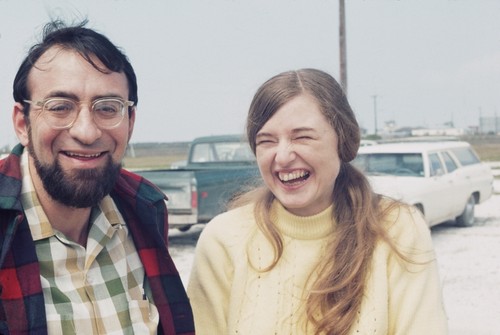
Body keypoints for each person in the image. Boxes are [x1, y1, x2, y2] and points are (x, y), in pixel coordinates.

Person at [187, 68, 448, 334]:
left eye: (302, 137)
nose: (283, 156)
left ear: (342, 140)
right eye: (267, 141)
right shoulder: (224, 238)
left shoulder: (398, 228)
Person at [0, 20, 194, 335]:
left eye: (107, 108)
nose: (87, 132)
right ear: (22, 123)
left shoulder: (145, 208)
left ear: (130, 123)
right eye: (60, 107)